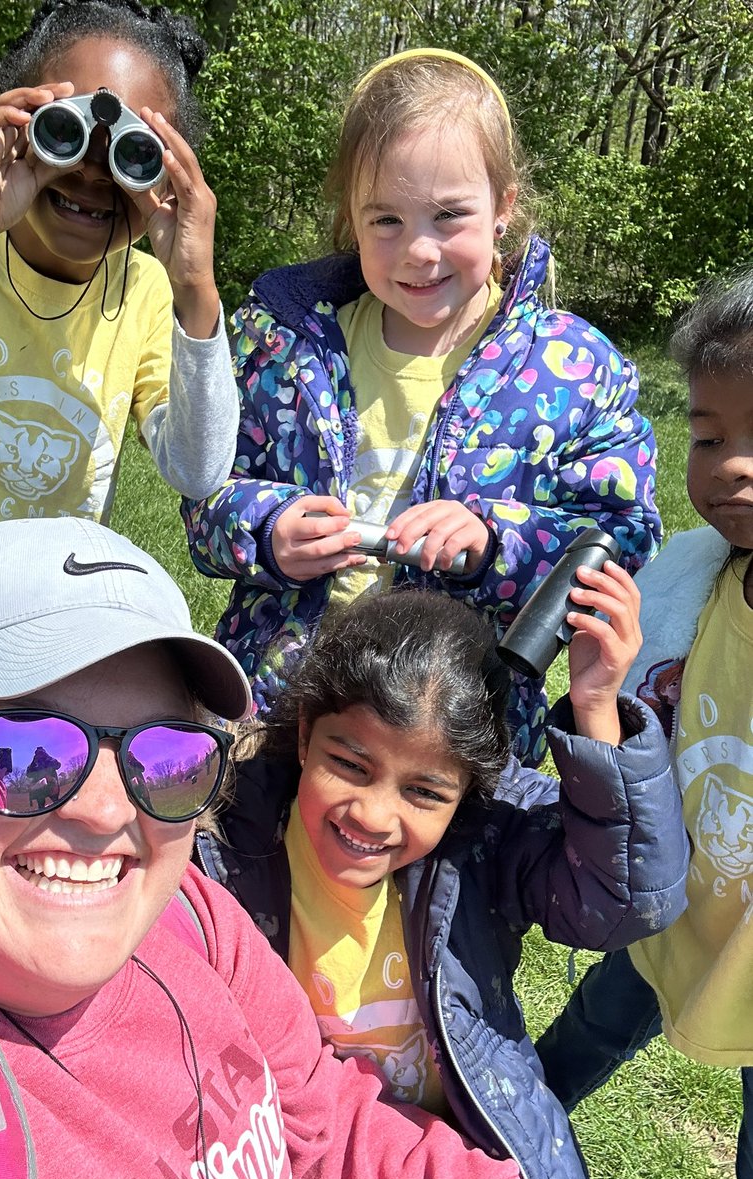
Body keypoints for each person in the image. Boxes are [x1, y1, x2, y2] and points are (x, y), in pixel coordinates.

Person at [0, 516, 530, 1179]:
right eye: (27, 754)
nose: (108, 810)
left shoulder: (189, 917)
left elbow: (323, 1120)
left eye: (164, 755)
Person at [183, 48, 661, 766]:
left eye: (448, 215)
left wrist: (492, 540)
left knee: (442, 881)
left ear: (503, 208)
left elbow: (621, 535)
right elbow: (205, 492)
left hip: (460, 731)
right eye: (386, 220)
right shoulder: (283, 340)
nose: (419, 251)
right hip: (279, 711)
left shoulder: (574, 368)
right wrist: (267, 527)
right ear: (351, 214)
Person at [194, 569, 689, 1179]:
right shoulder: (227, 834)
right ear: (303, 735)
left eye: (424, 792)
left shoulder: (485, 838)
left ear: (469, 794)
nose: (372, 815)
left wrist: (595, 708)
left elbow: (627, 900)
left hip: (452, 1154)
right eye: (349, 765)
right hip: (289, 1153)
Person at [0, 0, 239, 658]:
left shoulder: (147, 292)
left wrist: (195, 290)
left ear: (171, 176)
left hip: (59, 625)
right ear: (15, 118)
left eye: (134, 155)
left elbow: (200, 471)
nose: (93, 172)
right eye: (64, 133)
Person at [535, 269, 753, 1179]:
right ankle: (500, 1128)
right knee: (584, 1036)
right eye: (709, 436)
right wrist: (606, 692)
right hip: (678, 909)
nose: (733, 463)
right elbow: (637, 728)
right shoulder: (696, 583)